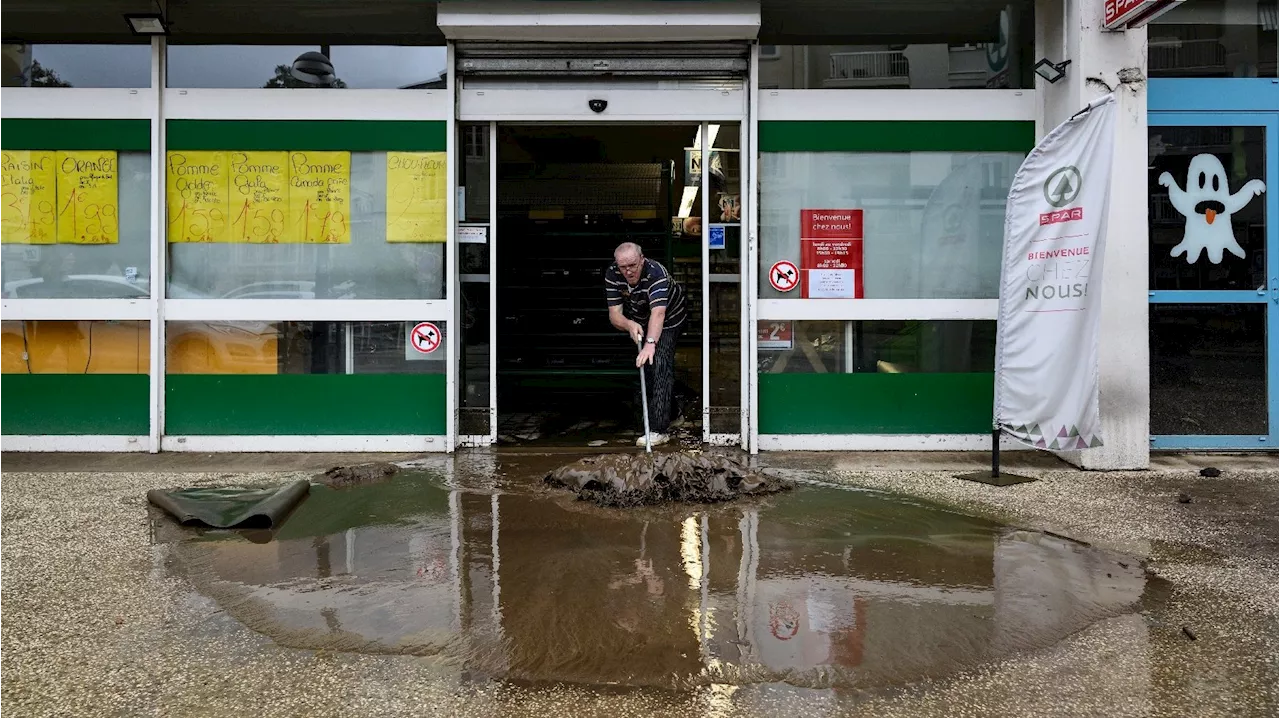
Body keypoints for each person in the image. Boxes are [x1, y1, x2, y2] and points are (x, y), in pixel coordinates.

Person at [605, 242, 687, 447]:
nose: (628, 271)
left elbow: (659, 313)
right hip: (640, 319)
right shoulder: (613, 274)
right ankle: (674, 413)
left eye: (633, 265)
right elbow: (615, 315)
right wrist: (629, 324)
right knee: (648, 369)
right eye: (623, 267)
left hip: (669, 318)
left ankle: (659, 430)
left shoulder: (656, 273)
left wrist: (651, 344)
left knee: (659, 361)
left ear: (642, 259)